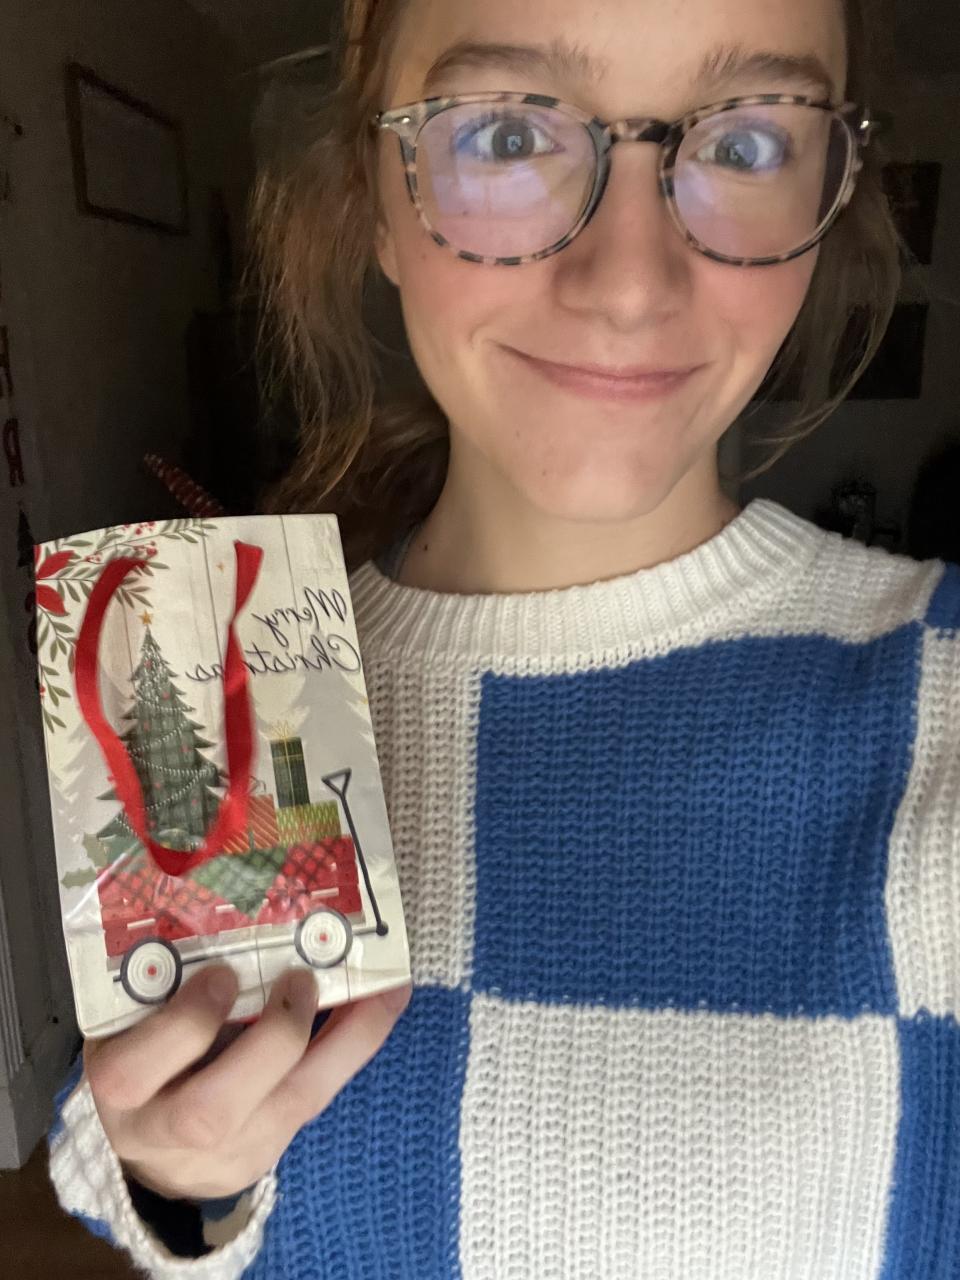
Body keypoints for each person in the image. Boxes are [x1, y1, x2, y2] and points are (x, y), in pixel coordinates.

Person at [47, 0, 960, 1276]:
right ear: (374, 188)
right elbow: (111, 1159)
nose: (630, 283)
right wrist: (175, 1182)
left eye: (746, 142)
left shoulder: (939, 692)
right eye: (509, 133)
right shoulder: (231, 690)